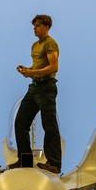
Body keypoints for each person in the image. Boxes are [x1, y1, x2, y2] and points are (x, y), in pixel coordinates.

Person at [12, 14, 62, 173]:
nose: (35, 28)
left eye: (38, 25)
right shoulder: (35, 45)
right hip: (34, 88)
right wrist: (27, 70)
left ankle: (54, 163)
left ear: (46, 27)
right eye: (34, 25)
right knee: (20, 122)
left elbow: (53, 68)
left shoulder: (50, 43)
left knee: (49, 124)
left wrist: (33, 73)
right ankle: (24, 159)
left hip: (46, 87)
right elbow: (39, 68)